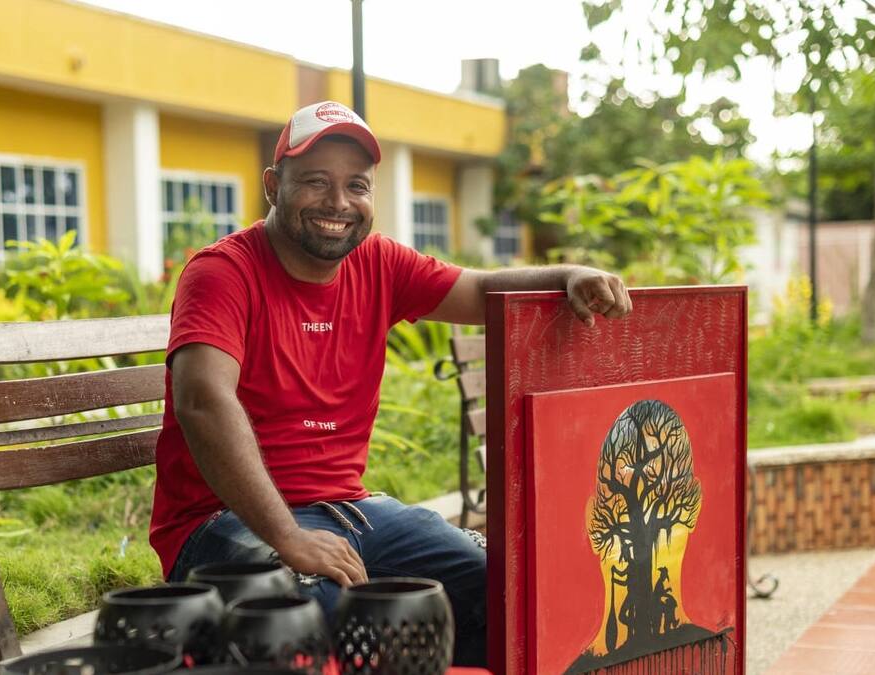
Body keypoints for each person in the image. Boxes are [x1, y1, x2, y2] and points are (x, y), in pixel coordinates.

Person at [149, 100, 633, 666]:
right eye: (315, 181)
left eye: (356, 185)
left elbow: (482, 291)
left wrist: (570, 274)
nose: (338, 202)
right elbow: (203, 400)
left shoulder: (378, 263)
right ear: (273, 186)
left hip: (350, 512)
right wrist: (288, 537)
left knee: (502, 588)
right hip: (223, 522)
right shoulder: (223, 273)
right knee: (314, 615)